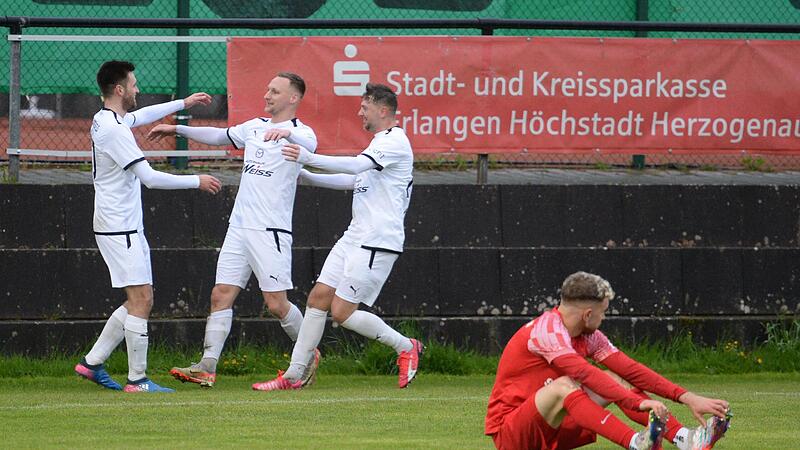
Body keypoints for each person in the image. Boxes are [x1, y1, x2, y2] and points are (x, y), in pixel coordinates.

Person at [146, 72, 320, 388]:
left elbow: (310, 145)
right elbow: (219, 135)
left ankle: (308, 354)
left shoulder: (302, 133)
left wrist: (285, 134)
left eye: (275, 91)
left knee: (276, 304)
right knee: (220, 295)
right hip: (239, 227)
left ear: (293, 98)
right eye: (267, 88)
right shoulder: (254, 126)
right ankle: (207, 366)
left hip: (270, 230)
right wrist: (177, 128)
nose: (267, 95)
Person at [251, 83, 422, 391]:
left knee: (342, 313)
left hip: (377, 240)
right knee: (318, 297)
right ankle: (293, 375)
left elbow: (356, 165)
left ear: (383, 111)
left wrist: (306, 157)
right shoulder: (379, 144)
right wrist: (305, 174)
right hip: (354, 236)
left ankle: (406, 346)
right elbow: (354, 179)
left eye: (365, 107)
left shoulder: (395, 141)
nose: (360, 112)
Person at [74, 60, 222, 393]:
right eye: (135, 85)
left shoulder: (108, 118)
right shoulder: (113, 129)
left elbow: (144, 116)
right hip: (119, 227)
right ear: (119, 89)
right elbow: (150, 179)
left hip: (123, 225)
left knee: (139, 299)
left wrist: (184, 103)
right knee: (141, 300)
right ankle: (137, 380)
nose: (139, 90)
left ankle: (92, 363)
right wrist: (195, 180)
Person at [485, 271, 733, 450]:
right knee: (564, 385)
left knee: (616, 378)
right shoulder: (547, 331)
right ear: (588, 314)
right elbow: (585, 374)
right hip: (514, 436)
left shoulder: (586, 334)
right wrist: (637, 404)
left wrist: (687, 397)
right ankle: (636, 443)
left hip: (556, 427)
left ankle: (686, 440)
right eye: (603, 312)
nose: (603, 318)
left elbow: (630, 370)